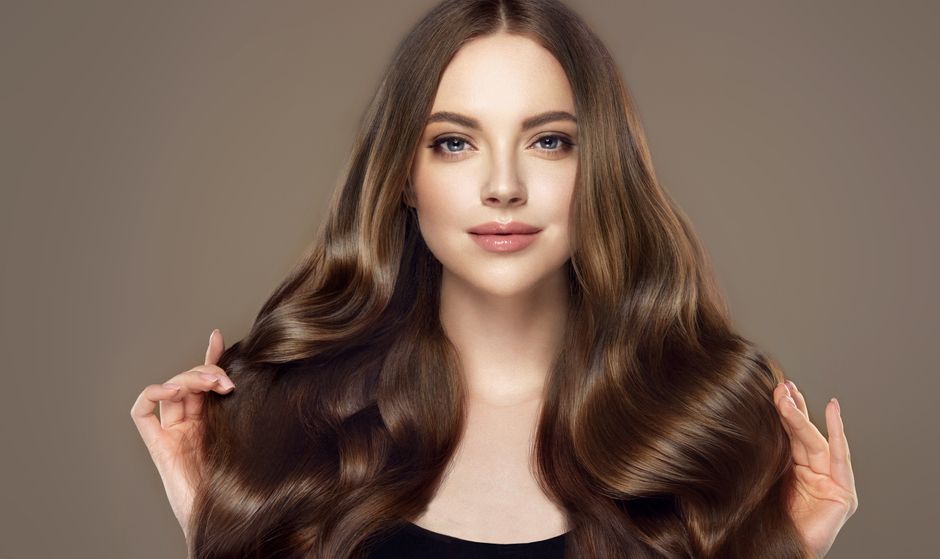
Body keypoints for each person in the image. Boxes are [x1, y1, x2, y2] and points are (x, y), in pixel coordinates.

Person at [130, 1, 858, 557]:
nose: (503, 185)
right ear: (405, 177)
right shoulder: (289, 423)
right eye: (454, 142)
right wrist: (215, 515)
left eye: (548, 141)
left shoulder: (700, 421)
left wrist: (788, 543)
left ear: (598, 165)